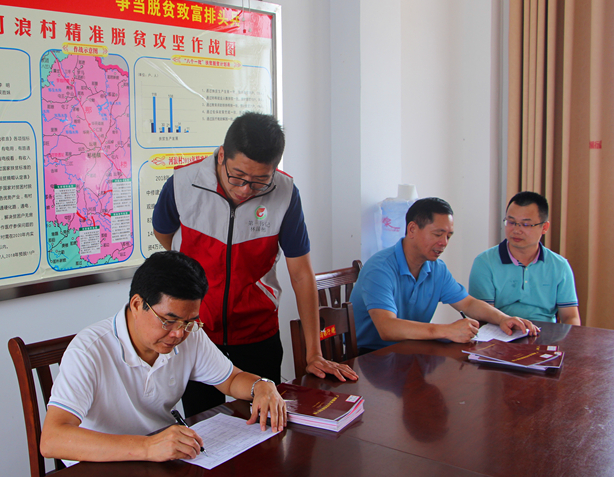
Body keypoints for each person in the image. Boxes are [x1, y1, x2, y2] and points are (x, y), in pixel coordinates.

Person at [152, 112, 357, 417]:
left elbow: (301, 274)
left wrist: (314, 352)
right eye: (237, 176)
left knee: (265, 426)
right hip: (196, 333)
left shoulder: (285, 193)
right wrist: (191, 273)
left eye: (260, 181)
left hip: (258, 332)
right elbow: (164, 233)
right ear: (222, 155)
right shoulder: (183, 184)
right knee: (204, 428)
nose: (245, 189)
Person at [41, 251, 287, 464]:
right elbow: (52, 439)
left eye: (189, 322)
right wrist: (148, 447)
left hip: (160, 461)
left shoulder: (189, 335)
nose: (178, 333)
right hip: (103, 464)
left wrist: (261, 385)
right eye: (168, 321)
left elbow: (231, 380)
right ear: (137, 305)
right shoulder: (89, 351)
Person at [351, 197, 538, 352]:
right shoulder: (380, 268)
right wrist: (446, 330)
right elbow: (387, 328)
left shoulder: (436, 268)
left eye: (448, 236)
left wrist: (503, 318)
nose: (444, 243)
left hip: (410, 350)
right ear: (412, 229)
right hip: (370, 358)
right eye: (438, 234)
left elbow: (468, 303)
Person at [468, 191, 581, 325]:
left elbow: (570, 317)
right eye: (511, 222)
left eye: (526, 224)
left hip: (545, 332)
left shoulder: (559, 266)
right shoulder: (485, 263)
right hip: (500, 329)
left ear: (544, 227)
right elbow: (483, 315)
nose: (516, 230)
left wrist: (569, 338)